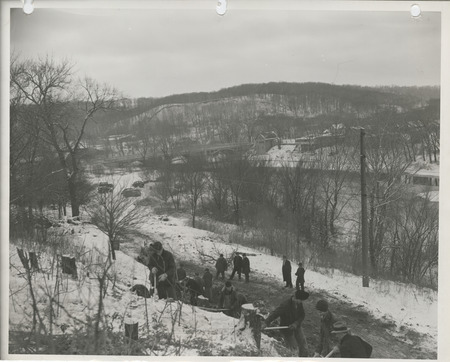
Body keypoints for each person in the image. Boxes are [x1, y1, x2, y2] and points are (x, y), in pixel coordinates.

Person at [263, 289, 310, 357]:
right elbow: (275, 313)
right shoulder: (285, 305)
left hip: (297, 327)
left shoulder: (299, 303)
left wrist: (296, 323)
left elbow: (302, 315)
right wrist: (266, 322)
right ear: (295, 298)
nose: (301, 302)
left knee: (303, 346)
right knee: (293, 349)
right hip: (287, 330)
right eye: (301, 300)